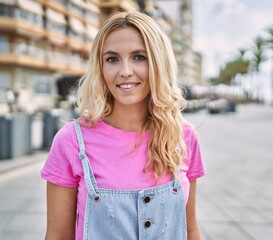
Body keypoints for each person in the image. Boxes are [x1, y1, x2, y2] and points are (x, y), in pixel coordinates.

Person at [41, 11, 205, 240]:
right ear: (100, 67)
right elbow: (58, 235)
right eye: (112, 59)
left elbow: (191, 230)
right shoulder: (71, 141)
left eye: (139, 57)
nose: (125, 71)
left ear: (158, 62)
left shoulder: (183, 136)